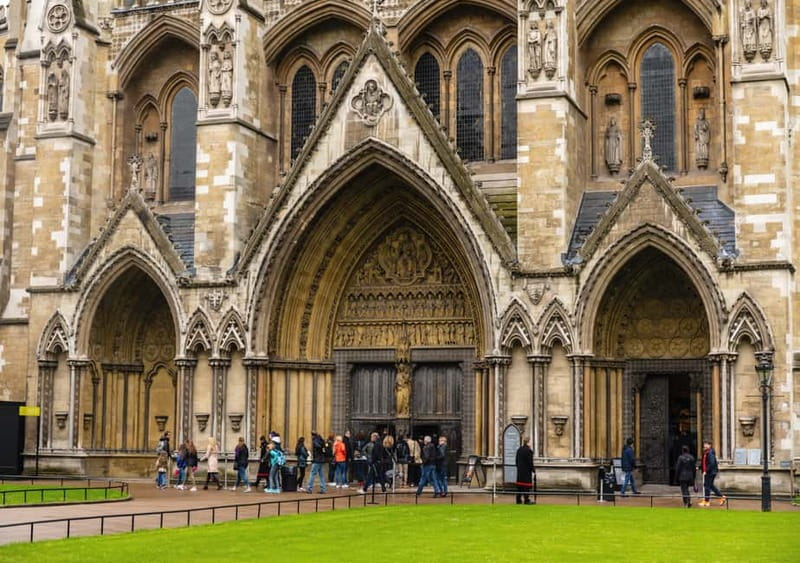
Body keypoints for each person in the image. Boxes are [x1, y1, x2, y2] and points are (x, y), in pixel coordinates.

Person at [700, 440, 725, 507]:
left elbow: (711, 463)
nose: (705, 445)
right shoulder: (706, 452)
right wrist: (700, 467)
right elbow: (704, 462)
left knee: (706, 486)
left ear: (709, 445)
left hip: (710, 472)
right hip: (710, 471)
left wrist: (706, 470)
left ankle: (706, 501)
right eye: (704, 444)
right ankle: (721, 497)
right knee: (710, 485)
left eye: (706, 444)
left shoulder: (710, 453)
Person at [515, 437, 535, 504]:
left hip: (520, 471)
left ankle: (518, 499)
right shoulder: (529, 451)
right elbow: (530, 462)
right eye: (530, 442)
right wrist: (533, 470)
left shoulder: (519, 450)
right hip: (526, 471)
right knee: (526, 486)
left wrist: (519, 468)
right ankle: (526, 500)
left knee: (519, 486)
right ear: (528, 442)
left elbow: (516, 461)